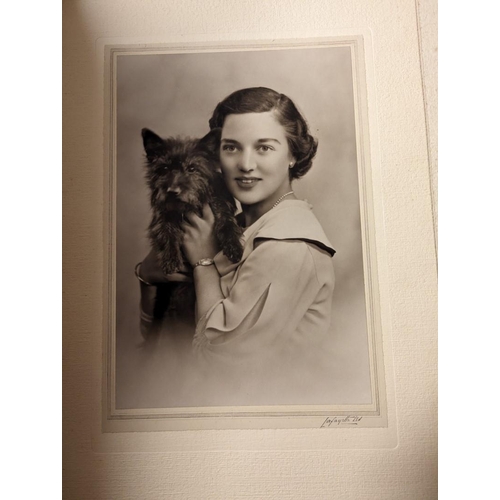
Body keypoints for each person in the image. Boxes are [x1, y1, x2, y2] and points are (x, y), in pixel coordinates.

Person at [138, 87, 336, 403]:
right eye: (231, 147)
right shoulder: (234, 226)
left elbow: (221, 363)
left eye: (264, 148)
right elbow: (164, 340)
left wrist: (203, 263)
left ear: (293, 155)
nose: (245, 164)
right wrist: (148, 277)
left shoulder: (289, 245)